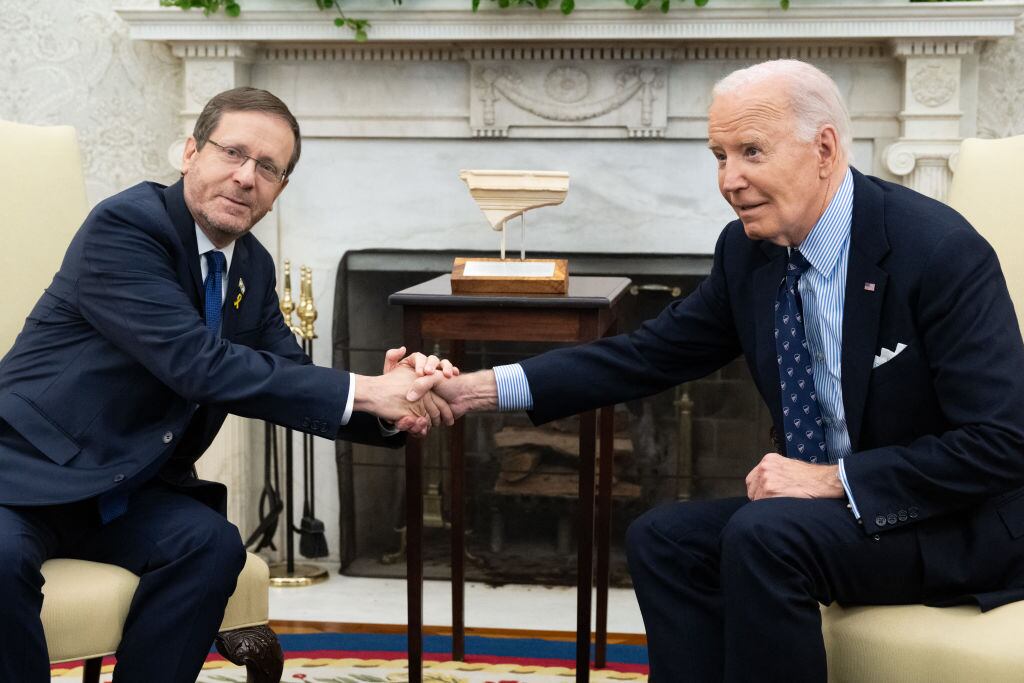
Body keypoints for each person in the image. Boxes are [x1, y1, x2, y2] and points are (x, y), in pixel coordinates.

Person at [412, 60, 1024, 681]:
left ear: (825, 149)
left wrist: (832, 478)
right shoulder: (748, 252)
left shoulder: (938, 251)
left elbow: (1002, 444)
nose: (730, 180)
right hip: (825, 520)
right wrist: (473, 390)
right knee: (663, 539)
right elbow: (646, 354)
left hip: (957, 524)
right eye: (719, 155)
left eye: (751, 151)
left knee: (766, 537)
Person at [0, 87, 454, 682]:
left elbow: (288, 376)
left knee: (210, 546)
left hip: (127, 490)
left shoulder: (250, 267)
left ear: (281, 189)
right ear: (190, 152)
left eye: (269, 168)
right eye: (232, 153)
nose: (246, 177)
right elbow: (197, 363)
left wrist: (397, 404)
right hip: (23, 473)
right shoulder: (126, 226)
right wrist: (367, 388)